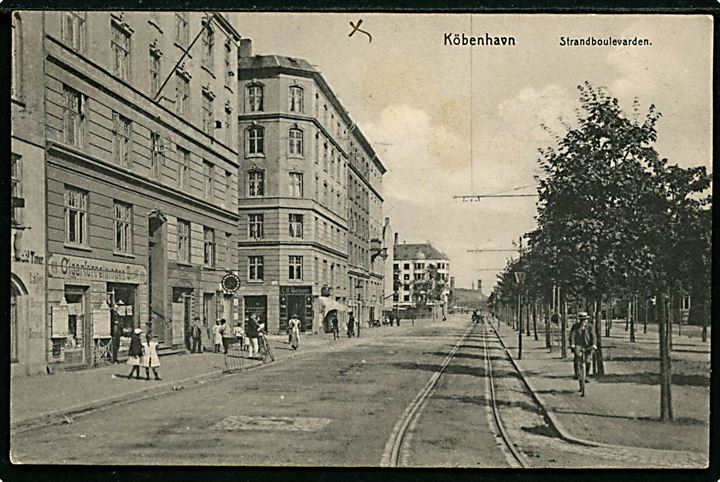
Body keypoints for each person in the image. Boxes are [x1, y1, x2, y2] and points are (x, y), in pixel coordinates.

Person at [569, 312, 597, 385]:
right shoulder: (575, 326)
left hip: (588, 346)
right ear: (579, 320)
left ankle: (586, 376)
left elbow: (593, 336)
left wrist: (594, 344)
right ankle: (577, 374)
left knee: (588, 361)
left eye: (585, 319)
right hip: (578, 345)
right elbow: (572, 335)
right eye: (582, 320)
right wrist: (572, 344)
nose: (583, 321)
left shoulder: (590, 327)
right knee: (577, 358)